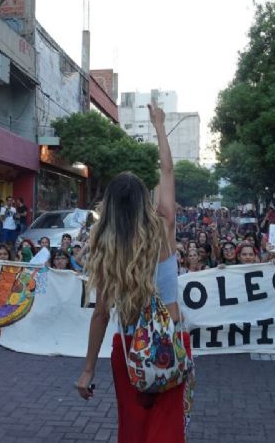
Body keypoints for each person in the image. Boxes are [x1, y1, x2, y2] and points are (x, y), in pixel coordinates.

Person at [76, 102, 191, 442]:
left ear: (109, 208)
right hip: (170, 341)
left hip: (129, 349)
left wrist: (87, 371)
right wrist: (159, 126)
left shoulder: (108, 251)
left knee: (132, 428)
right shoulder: (164, 231)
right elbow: (168, 173)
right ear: (144, 201)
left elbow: (100, 315)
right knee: (167, 430)